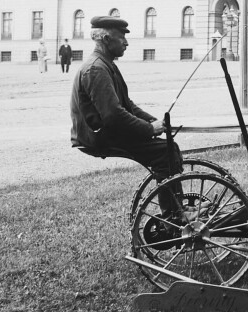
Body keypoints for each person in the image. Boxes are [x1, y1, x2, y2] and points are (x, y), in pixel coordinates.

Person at [70, 16, 182, 214]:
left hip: (106, 130)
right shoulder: (96, 69)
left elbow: (126, 105)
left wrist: (154, 121)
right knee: (165, 152)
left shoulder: (106, 65)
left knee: (169, 149)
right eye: (121, 37)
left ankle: (178, 207)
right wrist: (149, 129)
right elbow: (113, 116)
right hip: (99, 135)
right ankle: (173, 216)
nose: (126, 42)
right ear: (105, 39)